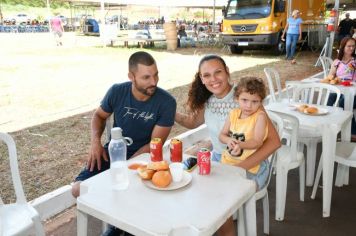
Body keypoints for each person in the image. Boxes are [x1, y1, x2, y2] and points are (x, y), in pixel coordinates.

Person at [72, 51, 176, 236]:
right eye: (146, 77)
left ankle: (120, 226)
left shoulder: (166, 102)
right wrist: (95, 143)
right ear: (131, 77)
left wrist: (126, 168)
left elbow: (154, 144)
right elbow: (99, 116)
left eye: (156, 74)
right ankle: (119, 220)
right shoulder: (117, 91)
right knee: (78, 189)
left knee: (134, 191)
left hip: (145, 157)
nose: (154, 81)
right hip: (114, 151)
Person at [175, 54, 281, 236]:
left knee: (218, 199)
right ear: (201, 79)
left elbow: (274, 142)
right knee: (187, 186)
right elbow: (193, 122)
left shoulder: (245, 97)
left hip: (248, 165)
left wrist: (238, 168)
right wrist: (168, 111)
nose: (213, 79)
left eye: (218, 72)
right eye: (206, 75)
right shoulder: (208, 99)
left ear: (227, 72)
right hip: (219, 160)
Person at [219, 76, 269, 190]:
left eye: (255, 101)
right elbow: (222, 135)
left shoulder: (260, 116)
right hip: (229, 162)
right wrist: (228, 140)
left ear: (261, 102)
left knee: (236, 192)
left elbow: (257, 142)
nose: (249, 105)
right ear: (237, 98)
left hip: (251, 167)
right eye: (244, 100)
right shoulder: (233, 114)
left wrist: (239, 145)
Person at [327, 37, 356, 140]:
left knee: (344, 102)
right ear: (343, 47)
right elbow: (330, 76)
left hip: (354, 92)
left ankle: (352, 131)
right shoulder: (337, 62)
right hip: (341, 89)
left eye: (353, 46)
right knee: (331, 97)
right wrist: (333, 78)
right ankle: (328, 125)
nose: (351, 48)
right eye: (349, 46)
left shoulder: (355, 60)